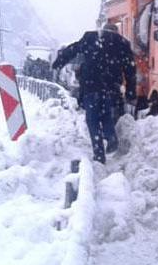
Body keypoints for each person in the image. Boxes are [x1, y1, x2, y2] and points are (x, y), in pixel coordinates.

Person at [52, 23, 136, 164]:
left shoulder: (90, 38)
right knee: (106, 115)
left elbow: (72, 50)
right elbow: (130, 70)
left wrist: (58, 63)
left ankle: (99, 155)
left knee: (92, 120)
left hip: (91, 85)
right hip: (111, 87)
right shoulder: (123, 43)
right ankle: (111, 137)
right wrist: (131, 93)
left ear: (103, 29)